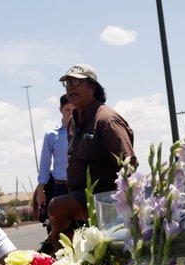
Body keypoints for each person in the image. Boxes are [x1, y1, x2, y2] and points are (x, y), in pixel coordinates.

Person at [43, 64, 136, 253]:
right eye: (67, 83)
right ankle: (66, 255)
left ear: (93, 86)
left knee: (57, 206)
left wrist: (124, 206)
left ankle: (55, 246)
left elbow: (129, 164)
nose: (70, 87)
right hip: (81, 198)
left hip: (105, 200)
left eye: (76, 82)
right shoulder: (73, 121)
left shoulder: (106, 120)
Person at [35, 94, 73, 233]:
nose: (71, 113)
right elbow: (44, 164)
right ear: (61, 110)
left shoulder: (83, 131)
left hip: (79, 187)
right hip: (60, 188)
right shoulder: (52, 135)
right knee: (57, 230)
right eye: (67, 109)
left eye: (74, 110)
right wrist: (41, 190)